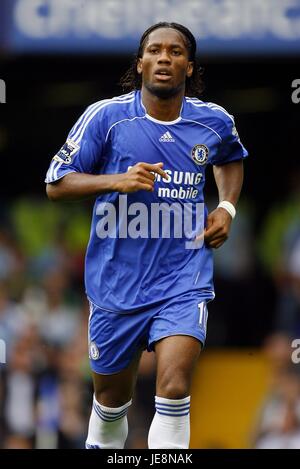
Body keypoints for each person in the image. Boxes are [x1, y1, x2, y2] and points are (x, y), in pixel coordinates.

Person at [45, 22, 248, 449]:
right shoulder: (106, 117)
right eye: (155, 50)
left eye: (175, 52)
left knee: (173, 386)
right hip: (115, 282)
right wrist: (116, 181)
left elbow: (230, 158)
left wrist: (226, 207)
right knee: (111, 400)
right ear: (139, 63)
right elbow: (56, 183)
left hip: (183, 278)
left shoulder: (213, 121)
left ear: (189, 67)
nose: (164, 58)